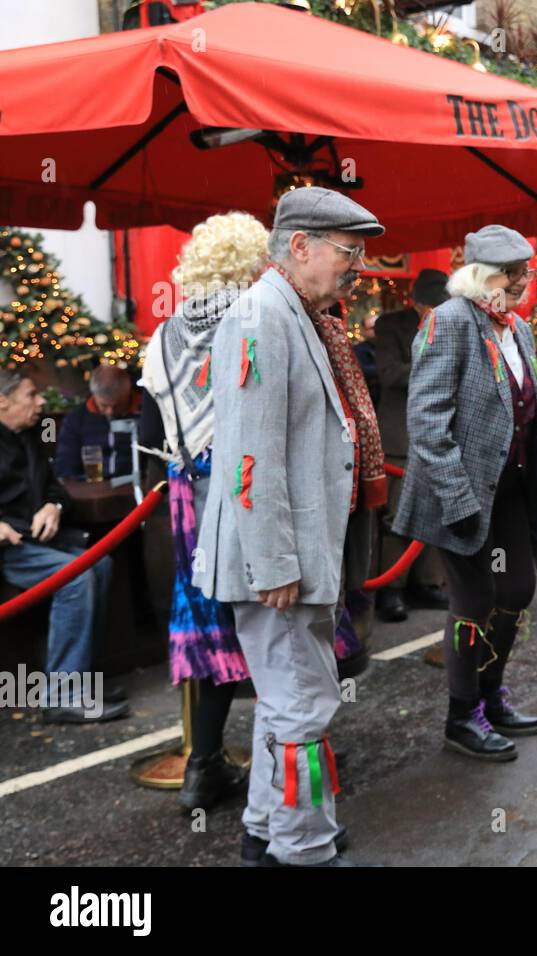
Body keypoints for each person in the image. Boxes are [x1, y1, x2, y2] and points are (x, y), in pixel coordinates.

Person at [193, 186, 387, 867]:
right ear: (299, 246)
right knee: (304, 711)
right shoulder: (263, 316)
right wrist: (271, 563)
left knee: (288, 706)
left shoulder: (293, 312)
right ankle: (303, 848)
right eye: (349, 251)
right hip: (279, 563)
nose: (358, 265)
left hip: (294, 557)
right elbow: (250, 456)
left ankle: (265, 832)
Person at [392, 225, 537, 762]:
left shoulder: (517, 328)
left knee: (515, 592)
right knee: (474, 601)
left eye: (524, 271)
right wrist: (458, 499)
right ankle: (462, 715)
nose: (521, 282)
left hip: (509, 490)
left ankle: (491, 697)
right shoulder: (449, 321)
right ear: (481, 276)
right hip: (459, 493)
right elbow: (426, 421)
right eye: (511, 274)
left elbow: (532, 416)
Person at [138, 211, 266, 811]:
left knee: (211, 623)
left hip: (189, 493)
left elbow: (149, 433)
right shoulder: (258, 319)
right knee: (272, 619)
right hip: (249, 485)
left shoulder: (163, 337)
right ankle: (282, 763)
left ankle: (202, 767)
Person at [0, 369, 124, 723]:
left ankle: (82, 680)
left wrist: (52, 507)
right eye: (31, 395)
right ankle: (61, 695)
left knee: (100, 565)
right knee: (75, 578)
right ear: (2, 401)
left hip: (36, 542)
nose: (41, 402)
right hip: (8, 550)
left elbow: (57, 489)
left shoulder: (28, 435)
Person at [371, 268, 451, 624]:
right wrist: (431, 352)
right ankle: (391, 590)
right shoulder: (391, 326)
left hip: (439, 430)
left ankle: (427, 583)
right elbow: (390, 374)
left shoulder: (451, 321)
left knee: (434, 511)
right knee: (397, 517)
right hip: (399, 434)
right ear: (416, 303)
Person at [54, 365, 141, 480]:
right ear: (94, 396)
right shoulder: (76, 419)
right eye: (104, 405)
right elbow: (66, 465)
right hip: (90, 489)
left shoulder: (145, 412)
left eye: (117, 405)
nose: (110, 411)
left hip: (137, 486)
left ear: (128, 392)